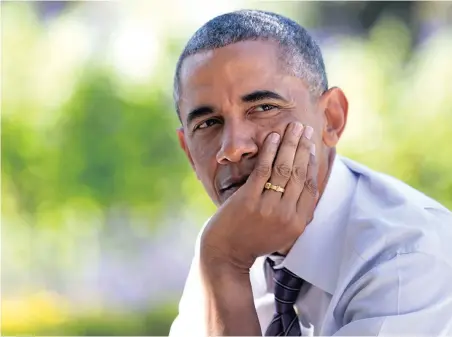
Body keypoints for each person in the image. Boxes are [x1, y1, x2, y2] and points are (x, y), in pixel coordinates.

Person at [168, 9, 452, 336]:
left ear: (331, 119)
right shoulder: (225, 241)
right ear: (188, 152)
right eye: (207, 124)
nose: (233, 148)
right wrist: (221, 262)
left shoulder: (410, 257)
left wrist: (225, 265)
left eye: (263, 108)